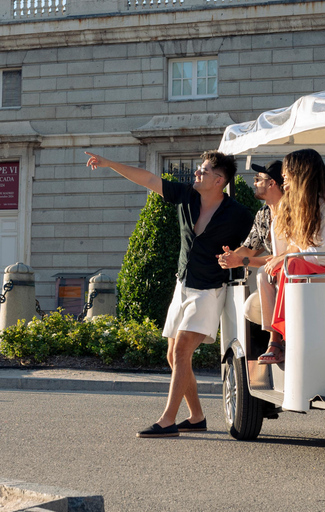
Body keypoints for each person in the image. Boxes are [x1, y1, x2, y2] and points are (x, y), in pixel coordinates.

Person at [85, 151, 253, 438]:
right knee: (173, 357)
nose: (197, 173)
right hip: (183, 284)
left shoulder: (238, 215)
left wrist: (239, 258)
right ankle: (197, 416)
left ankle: (167, 421)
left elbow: (254, 247)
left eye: (203, 170)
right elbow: (148, 179)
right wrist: (111, 163)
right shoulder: (186, 196)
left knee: (182, 350)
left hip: (209, 290)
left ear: (219, 180)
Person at [262, 148, 325, 363]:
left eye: (287, 172)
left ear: (301, 173)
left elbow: (322, 257)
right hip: (310, 267)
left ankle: (287, 339)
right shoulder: (294, 208)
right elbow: (290, 248)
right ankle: (279, 339)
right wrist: (286, 255)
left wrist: (289, 256)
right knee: (268, 272)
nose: (283, 177)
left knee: (292, 267)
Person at [217, 160, 286, 362]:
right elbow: (249, 248)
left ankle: (275, 342)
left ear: (272, 183)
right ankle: (276, 342)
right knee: (264, 277)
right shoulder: (263, 213)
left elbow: (283, 255)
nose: (254, 183)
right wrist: (230, 257)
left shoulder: (293, 210)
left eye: (258, 179)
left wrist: (242, 261)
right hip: (275, 274)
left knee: (265, 273)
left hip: (289, 269)